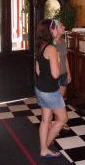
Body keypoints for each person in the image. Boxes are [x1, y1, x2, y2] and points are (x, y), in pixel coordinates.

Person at [35, 19, 68, 157]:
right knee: (62, 119)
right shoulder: (52, 48)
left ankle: (44, 149)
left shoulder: (41, 46)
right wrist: (59, 62)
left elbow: (37, 70)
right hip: (50, 91)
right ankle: (46, 145)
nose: (56, 30)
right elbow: (55, 74)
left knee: (45, 119)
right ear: (50, 31)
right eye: (54, 28)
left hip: (40, 88)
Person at [52, 20, 71, 131]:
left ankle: (59, 121)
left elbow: (65, 59)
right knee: (54, 100)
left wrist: (68, 73)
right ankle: (57, 122)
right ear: (55, 29)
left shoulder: (63, 42)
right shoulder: (51, 43)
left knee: (60, 100)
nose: (63, 27)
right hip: (55, 75)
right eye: (61, 25)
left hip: (63, 74)